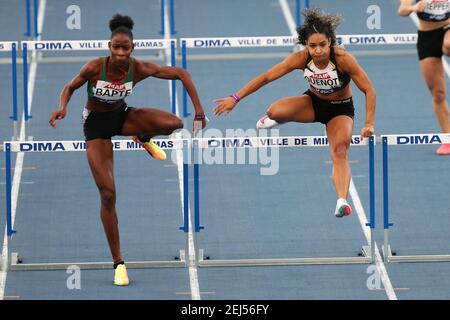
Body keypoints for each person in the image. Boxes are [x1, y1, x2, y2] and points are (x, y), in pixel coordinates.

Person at [49, 14, 207, 286]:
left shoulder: (139, 68)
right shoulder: (94, 67)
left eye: (125, 48)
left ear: (133, 48)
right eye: (116, 47)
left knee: (174, 123)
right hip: (96, 127)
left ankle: (142, 135)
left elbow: (182, 74)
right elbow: (69, 86)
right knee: (108, 194)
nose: (120, 53)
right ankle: (119, 263)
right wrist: (62, 106)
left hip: (122, 117)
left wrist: (200, 112)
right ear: (109, 47)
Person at [213, 8, 375, 218]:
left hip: (340, 108)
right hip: (314, 103)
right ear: (306, 45)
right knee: (274, 111)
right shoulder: (301, 59)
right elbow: (266, 77)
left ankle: (341, 201)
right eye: (313, 46)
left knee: (340, 150)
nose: (318, 51)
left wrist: (369, 123)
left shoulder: (343, 60)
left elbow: (369, 90)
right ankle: (273, 121)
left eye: (323, 45)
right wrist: (235, 98)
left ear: (331, 42)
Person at [399, 0, 450, 155]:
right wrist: (414, 7)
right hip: (427, 37)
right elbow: (402, 10)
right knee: (438, 94)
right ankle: (447, 139)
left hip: (447, 28)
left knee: (448, 45)